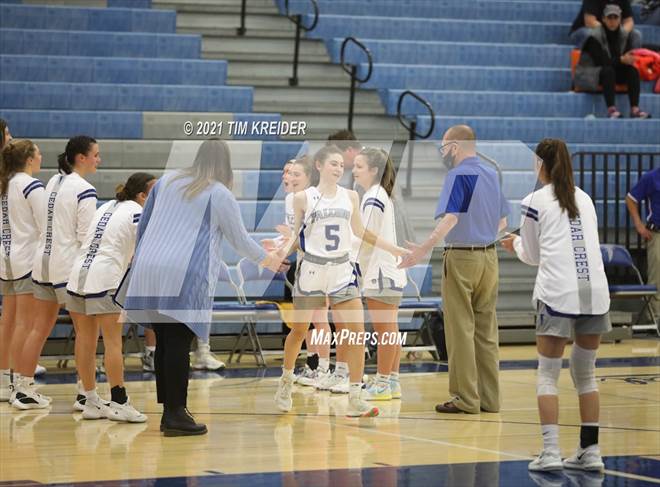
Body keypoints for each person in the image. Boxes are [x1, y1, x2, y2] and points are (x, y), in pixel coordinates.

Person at [118, 139, 284, 436]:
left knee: (164, 341)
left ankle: (170, 411)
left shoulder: (167, 181)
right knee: (178, 342)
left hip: (149, 266)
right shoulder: (219, 193)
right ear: (225, 164)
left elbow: (143, 226)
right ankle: (176, 413)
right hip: (183, 271)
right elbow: (240, 240)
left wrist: (143, 259)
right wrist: (269, 260)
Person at [501, 138, 611, 472]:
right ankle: (590, 451)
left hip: (557, 294)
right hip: (594, 293)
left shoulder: (533, 200)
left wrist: (514, 244)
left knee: (547, 375)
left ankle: (550, 452)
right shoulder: (585, 198)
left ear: (540, 164)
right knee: (586, 374)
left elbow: (533, 255)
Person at [274, 145, 408, 417]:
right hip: (312, 272)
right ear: (319, 166)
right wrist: (277, 255)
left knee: (356, 333)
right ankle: (285, 381)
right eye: (332, 163)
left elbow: (362, 232)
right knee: (299, 331)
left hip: (342, 272)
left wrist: (394, 249)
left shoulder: (351, 197)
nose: (338, 168)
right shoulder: (302, 198)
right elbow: (296, 237)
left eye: (340, 164)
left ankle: (356, 396)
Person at [400, 125, 509, 415]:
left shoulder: (458, 175)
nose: (443, 153)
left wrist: (423, 248)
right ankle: (490, 399)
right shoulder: (490, 173)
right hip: (489, 258)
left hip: (462, 257)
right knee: (486, 331)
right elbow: (502, 223)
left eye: (444, 147)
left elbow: (451, 218)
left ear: (455, 147)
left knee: (460, 329)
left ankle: (465, 399)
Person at [12, 136, 100, 410]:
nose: (99, 160)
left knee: (38, 328)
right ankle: (86, 395)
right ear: (81, 158)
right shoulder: (85, 190)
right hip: (67, 268)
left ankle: (23, 390)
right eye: (95, 155)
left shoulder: (53, 181)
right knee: (86, 332)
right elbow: (86, 237)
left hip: (42, 265)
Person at [66, 173, 156, 422]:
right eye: (155, 193)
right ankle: (119, 401)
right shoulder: (138, 213)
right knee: (113, 343)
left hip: (77, 275)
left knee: (85, 340)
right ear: (142, 196)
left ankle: (90, 400)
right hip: (105, 279)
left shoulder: (106, 206)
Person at [352, 148, 407, 401]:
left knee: (385, 330)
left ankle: (383, 382)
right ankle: (392, 381)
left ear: (374, 170)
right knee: (390, 329)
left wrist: (354, 267)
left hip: (380, 272)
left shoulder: (373, 195)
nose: (354, 170)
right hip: (389, 271)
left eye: (359, 166)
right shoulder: (381, 194)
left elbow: (367, 237)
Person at [0, 140, 45, 402]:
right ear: (29, 159)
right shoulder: (30, 185)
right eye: (38, 153)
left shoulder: (5, 183)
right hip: (27, 259)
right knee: (24, 324)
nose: (41, 157)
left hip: (6, 258)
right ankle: (19, 385)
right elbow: (45, 226)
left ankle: (4, 380)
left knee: (8, 322)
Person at [575, 4, 651, 118]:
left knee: (632, 71)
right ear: (603, 19)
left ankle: (635, 109)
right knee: (608, 71)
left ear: (620, 19)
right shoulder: (594, 37)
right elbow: (602, 62)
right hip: (589, 74)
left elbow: (625, 58)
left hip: (611, 71)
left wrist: (629, 60)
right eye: (609, 17)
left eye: (615, 17)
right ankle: (611, 110)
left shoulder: (624, 35)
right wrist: (621, 60)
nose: (612, 21)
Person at [626, 167, 660, 324]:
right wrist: (639, 225)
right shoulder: (652, 177)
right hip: (657, 233)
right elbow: (631, 199)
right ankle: (655, 319)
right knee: (657, 278)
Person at [570, 0, 642, 49]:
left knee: (635, 35)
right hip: (585, 30)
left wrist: (622, 32)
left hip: (614, 31)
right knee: (591, 34)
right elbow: (590, 22)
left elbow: (629, 21)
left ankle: (633, 65)